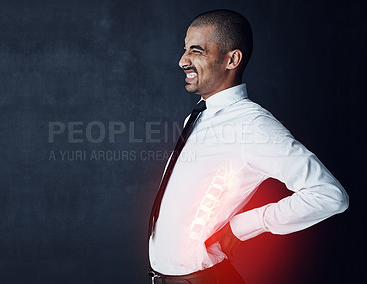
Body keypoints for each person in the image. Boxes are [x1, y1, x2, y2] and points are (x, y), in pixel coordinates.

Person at [148, 9, 349, 284]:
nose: (183, 61)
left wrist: (242, 227)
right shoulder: (198, 115)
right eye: (185, 50)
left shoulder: (252, 125)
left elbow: (328, 195)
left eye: (196, 51)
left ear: (232, 59)